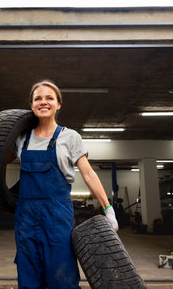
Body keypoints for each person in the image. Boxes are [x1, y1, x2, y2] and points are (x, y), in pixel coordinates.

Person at [10, 80, 118, 289]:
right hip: (26, 220)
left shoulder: (69, 137)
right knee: (28, 276)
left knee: (62, 277)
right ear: (31, 105)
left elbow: (88, 174)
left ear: (58, 104)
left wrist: (108, 208)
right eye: (38, 99)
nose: (43, 102)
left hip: (57, 217)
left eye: (49, 98)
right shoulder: (21, 139)